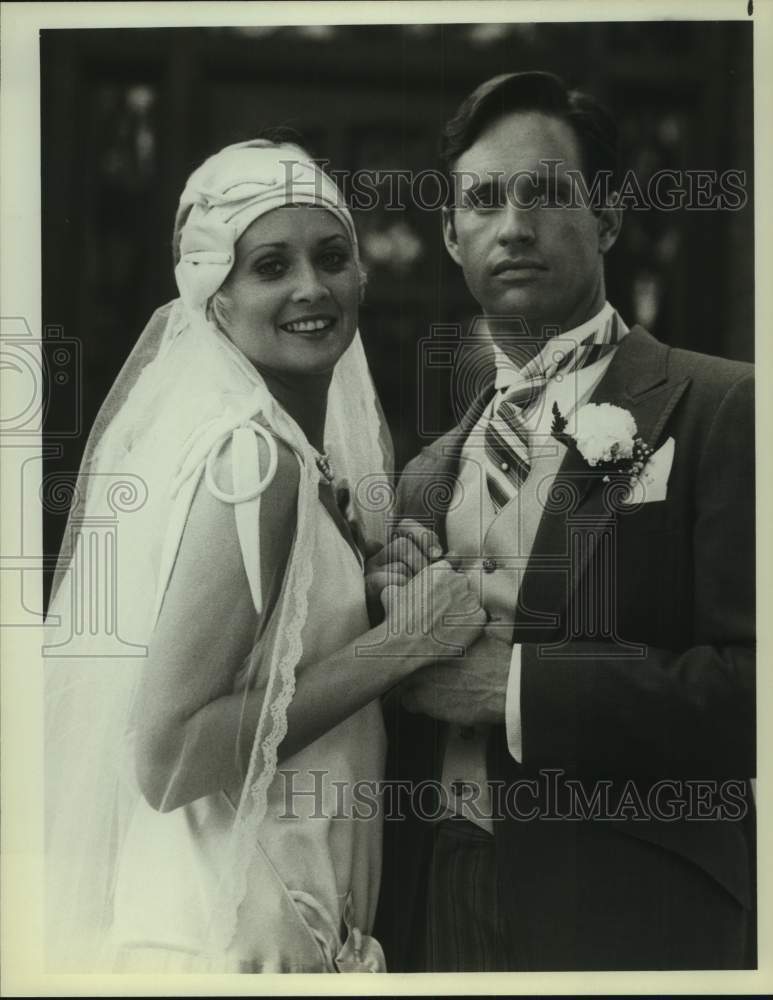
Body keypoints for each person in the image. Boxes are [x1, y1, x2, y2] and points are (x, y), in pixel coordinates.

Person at [43, 138, 486, 973]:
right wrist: (403, 644)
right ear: (214, 299)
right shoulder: (253, 463)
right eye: (270, 266)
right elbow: (170, 756)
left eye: (331, 258)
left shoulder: (284, 455)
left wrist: (367, 593)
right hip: (229, 943)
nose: (310, 288)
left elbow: (267, 659)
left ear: (362, 275)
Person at [375, 71, 756, 971]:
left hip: (633, 918)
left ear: (608, 217)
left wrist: (514, 692)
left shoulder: (723, 408)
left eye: (545, 193)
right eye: (483, 201)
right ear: (451, 235)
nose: (513, 226)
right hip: (431, 899)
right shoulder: (425, 475)